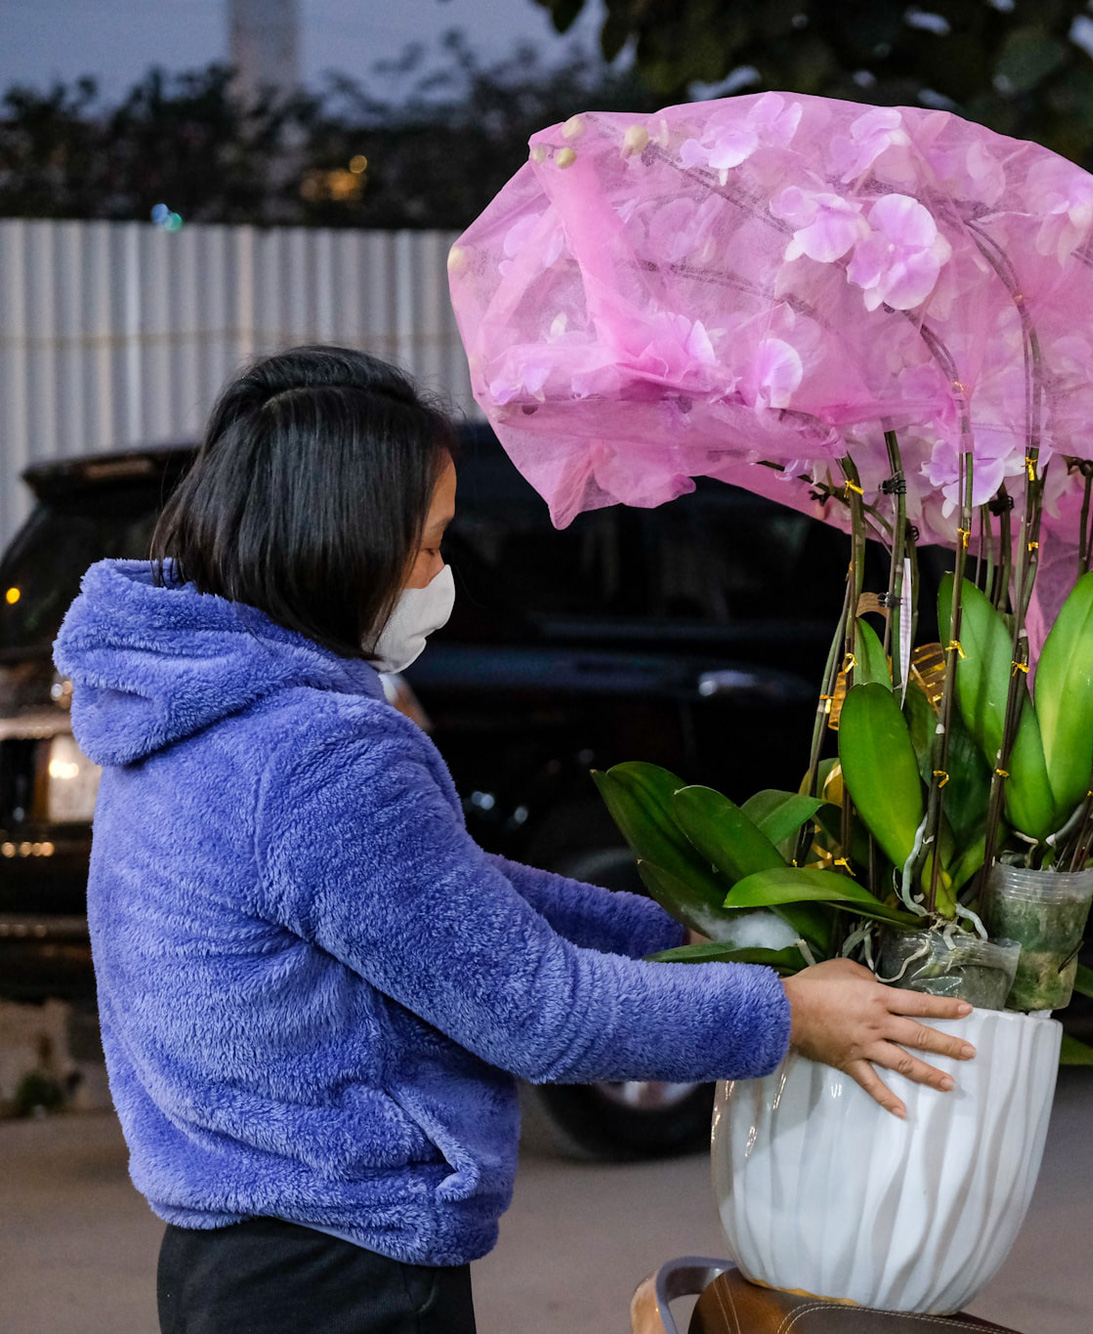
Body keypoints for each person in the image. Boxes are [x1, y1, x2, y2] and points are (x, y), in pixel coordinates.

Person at [54, 346, 974, 1334]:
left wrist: (704, 936)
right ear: (339, 542)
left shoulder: (187, 714)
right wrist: (783, 1012)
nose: (442, 575)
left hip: (223, 1256)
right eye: (431, 544)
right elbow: (536, 1008)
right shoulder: (323, 754)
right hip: (344, 1275)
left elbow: (453, 893)